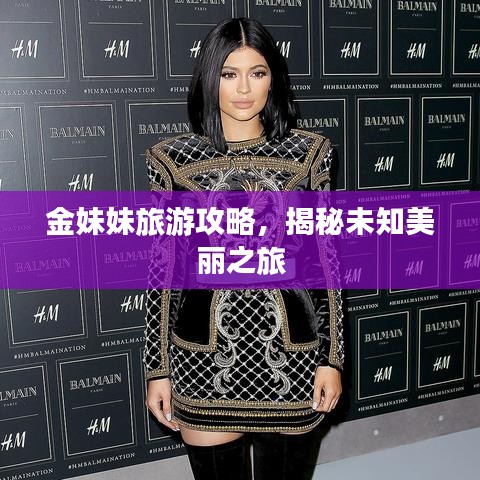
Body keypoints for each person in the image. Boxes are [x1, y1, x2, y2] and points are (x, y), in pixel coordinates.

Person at [143, 17, 345, 480]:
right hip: (201, 357)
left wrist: (332, 359)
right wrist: (157, 368)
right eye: (228, 73)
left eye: (257, 72)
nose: (243, 88)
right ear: (208, 78)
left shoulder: (309, 153)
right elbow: (164, 270)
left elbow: (324, 262)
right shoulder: (171, 160)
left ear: (273, 79)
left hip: (292, 356)